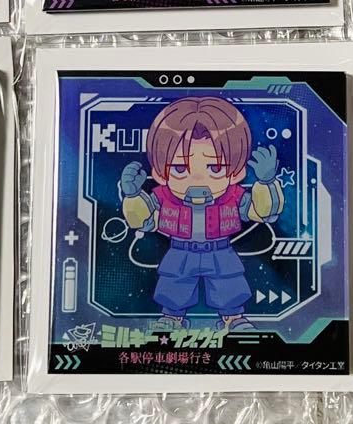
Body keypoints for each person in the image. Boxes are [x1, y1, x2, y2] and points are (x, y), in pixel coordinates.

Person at [119, 96, 283, 330]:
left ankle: (233, 319)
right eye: (179, 167)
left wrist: (266, 183)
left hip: (220, 250)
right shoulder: (164, 198)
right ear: (160, 172)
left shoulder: (233, 196)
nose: (197, 178)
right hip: (180, 250)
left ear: (236, 172)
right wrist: (133, 196)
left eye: (215, 167)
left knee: (229, 283)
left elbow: (261, 212)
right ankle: (172, 319)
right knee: (174, 284)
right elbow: (144, 221)